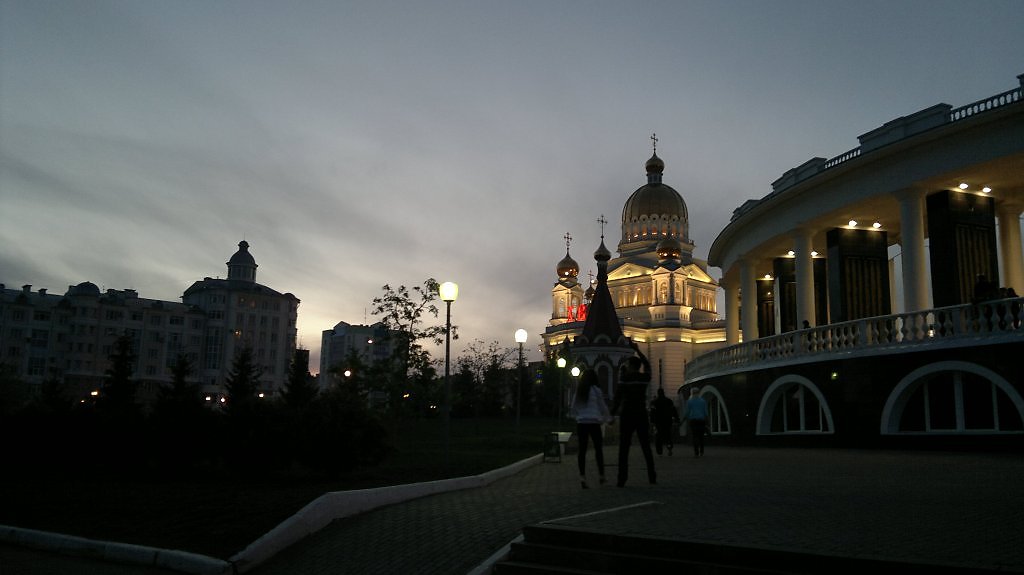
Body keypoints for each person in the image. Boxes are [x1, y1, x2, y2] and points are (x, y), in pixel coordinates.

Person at [611, 344, 657, 487]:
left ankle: (622, 478)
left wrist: (612, 414)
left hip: (627, 414)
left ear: (631, 366)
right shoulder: (644, 379)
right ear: (638, 366)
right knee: (646, 447)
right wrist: (638, 351)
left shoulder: (625, 379)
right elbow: (648, 366)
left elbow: (618, 397)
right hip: (641, 414)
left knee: (624, 448)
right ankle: (652, 476)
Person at [570, 369, 611, 489]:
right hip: (594, 422)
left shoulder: (579, 390)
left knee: (582, 451)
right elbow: (602, 406)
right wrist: (608, 418)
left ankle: (582, 477)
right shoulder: (596, 390)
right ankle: (601, 477)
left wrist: (577, 416)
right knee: (598, 450)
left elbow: (573, 407)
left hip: (582, 422)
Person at [650, 388, 679, 456]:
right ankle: (669, 447)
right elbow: (673, 410)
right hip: (668, 421)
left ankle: (659, 451)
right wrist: (677, 418)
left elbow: (652, 412)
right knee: (668, 434)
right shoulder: (669, 401)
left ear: (658, 393)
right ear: (664, 392)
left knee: (659, 435)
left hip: (658, 421)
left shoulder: (655, 402)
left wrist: (652, 421)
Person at [683, 387, 709, 458]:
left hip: (693, 421)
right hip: (701, 421)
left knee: (695, 436)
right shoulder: (703, 401)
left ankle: (696, 452)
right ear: (698, 393)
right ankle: (702, 451)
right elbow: (706, 412)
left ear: (692, 393)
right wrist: (707, 421)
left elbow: (687, 412)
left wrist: (683, 420)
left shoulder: (690, 401)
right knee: (701, 436)